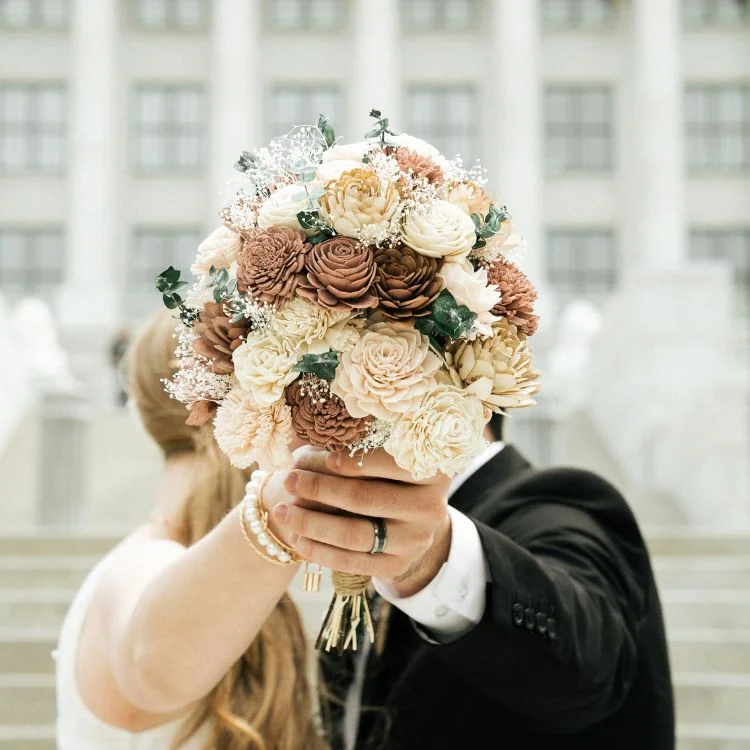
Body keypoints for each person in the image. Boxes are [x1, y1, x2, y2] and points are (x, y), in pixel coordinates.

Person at [267, 413, 675, 749]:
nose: (308, 412)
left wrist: (435, 559)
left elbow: (587, 668)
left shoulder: (560, 505)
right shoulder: (363, 562)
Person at [55, 310, 326, 750]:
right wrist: (284, 500)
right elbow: (155, 671)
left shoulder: (168, 555)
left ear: (144, 409)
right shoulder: (145, 563)